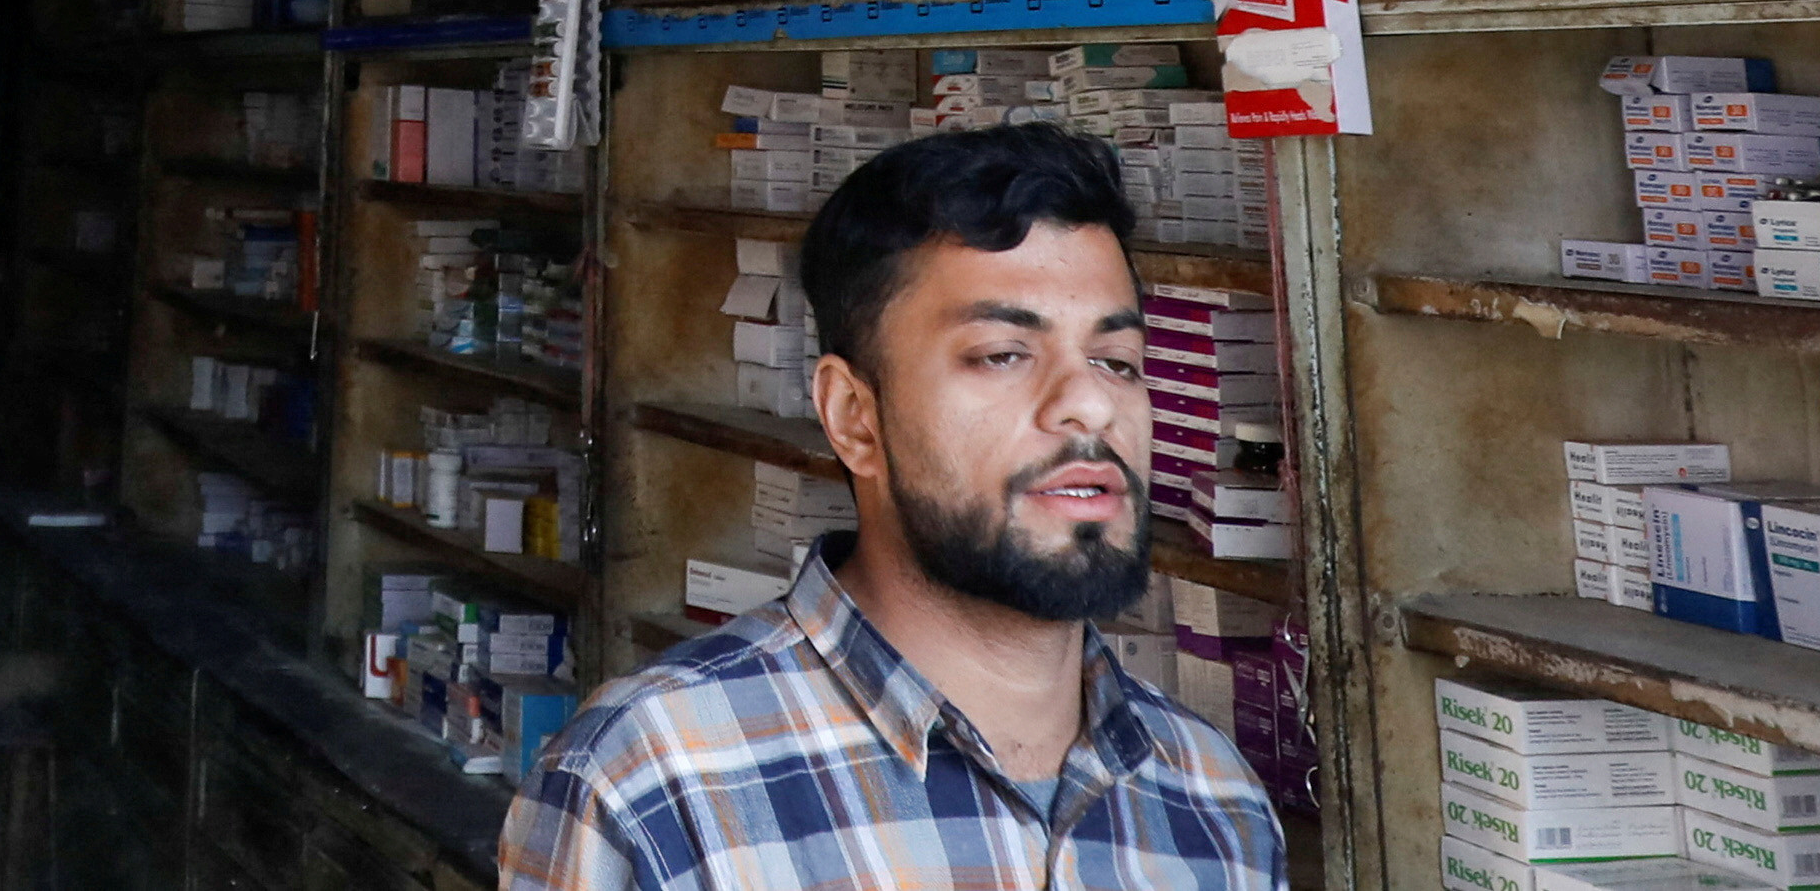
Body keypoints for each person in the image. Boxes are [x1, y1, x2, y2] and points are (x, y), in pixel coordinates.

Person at [498, 123, 1284, 891]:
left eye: (1117, 362)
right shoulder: (653, 784)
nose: (1089, 405)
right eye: (1003, 354)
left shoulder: (1217, 801)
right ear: (854, 417)